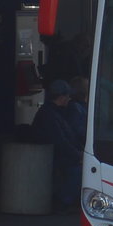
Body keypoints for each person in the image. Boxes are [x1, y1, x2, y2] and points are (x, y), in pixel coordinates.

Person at [31, 78, 84, 214]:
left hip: (56, 153)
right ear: (61, 97)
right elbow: (60, 141)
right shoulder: (50, 115)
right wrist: (78, 155)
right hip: (53, 155)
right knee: (78, 170)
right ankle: (62, 201)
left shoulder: (52, 112)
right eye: (67, 96)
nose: (69, 99)